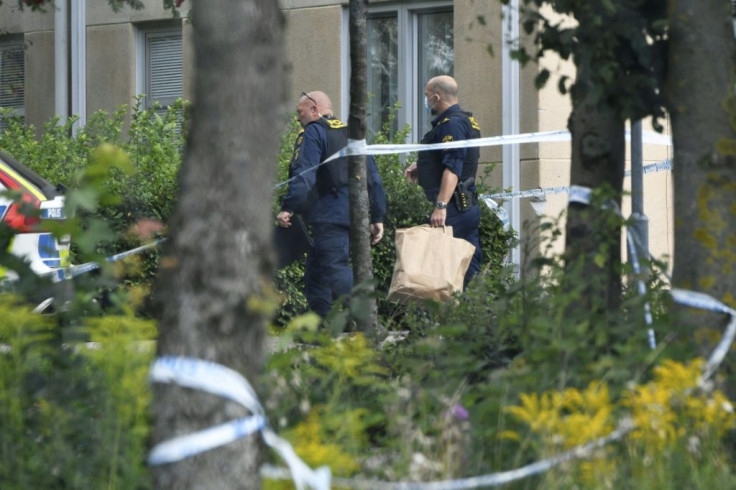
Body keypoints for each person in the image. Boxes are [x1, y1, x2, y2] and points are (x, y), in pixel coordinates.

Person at [277, 91, 386, 318]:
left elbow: (305, 173)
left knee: (336, 269)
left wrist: (289, 206)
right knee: (316, 270)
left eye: (301, 112)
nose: (298, 118)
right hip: (355, 213)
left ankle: (369, 323)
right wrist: (377, 217)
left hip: (329, 213)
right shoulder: (352, 133)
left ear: (315, 110)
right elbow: (373, 178)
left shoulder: (315, 131)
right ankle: (320, 325)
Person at [404, 75, 482, 285]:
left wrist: (440, 206)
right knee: (468, 272)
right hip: (465, 205)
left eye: (427, 96)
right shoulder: (465, 120)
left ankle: (448, 316)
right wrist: (424, 167)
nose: (426, 100)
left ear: (436, 97)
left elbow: (453, 167)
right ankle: (476, 312)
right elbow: (456, 159)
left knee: (440, 277)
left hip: (454, 209)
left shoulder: (452, 124)